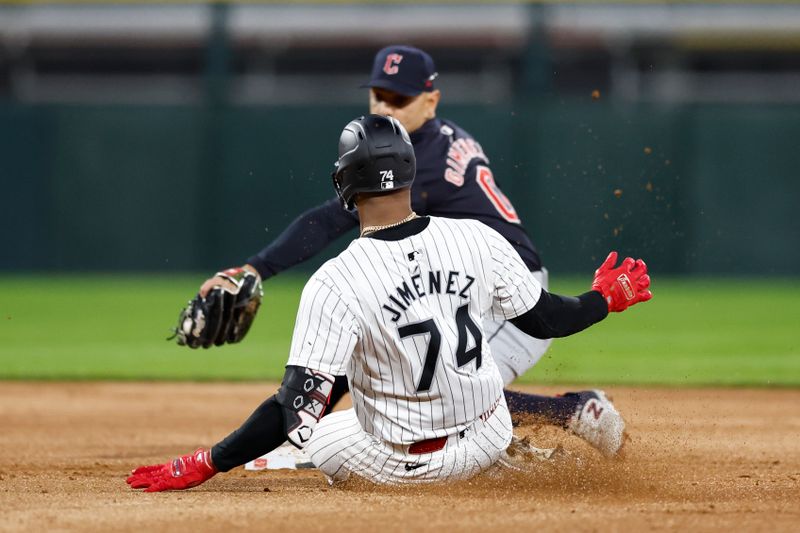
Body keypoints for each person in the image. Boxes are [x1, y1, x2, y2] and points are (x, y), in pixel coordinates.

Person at [128, 115, 651, 491]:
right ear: (408, 173)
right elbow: (545, 319)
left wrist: (206, 462)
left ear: (344, 185)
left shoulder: (335, 281)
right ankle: (507, 454)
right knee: (456, 390)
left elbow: (293, 408)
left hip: (410, 467)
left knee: (320, 439)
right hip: (489, 434)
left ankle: (469, 462)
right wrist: (603, 298)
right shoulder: (477, 237)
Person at [197, 45, 626, 457]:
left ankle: (575, 412)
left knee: (451, 390)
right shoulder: (431, 139)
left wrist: (254, 267)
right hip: (466, 283)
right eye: (378, 94)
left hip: (506, 297)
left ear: (430, 101)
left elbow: (330, 219)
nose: (385, 106)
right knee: (367, 353)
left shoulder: (419, 160)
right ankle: (296, 436)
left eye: (399, 98)